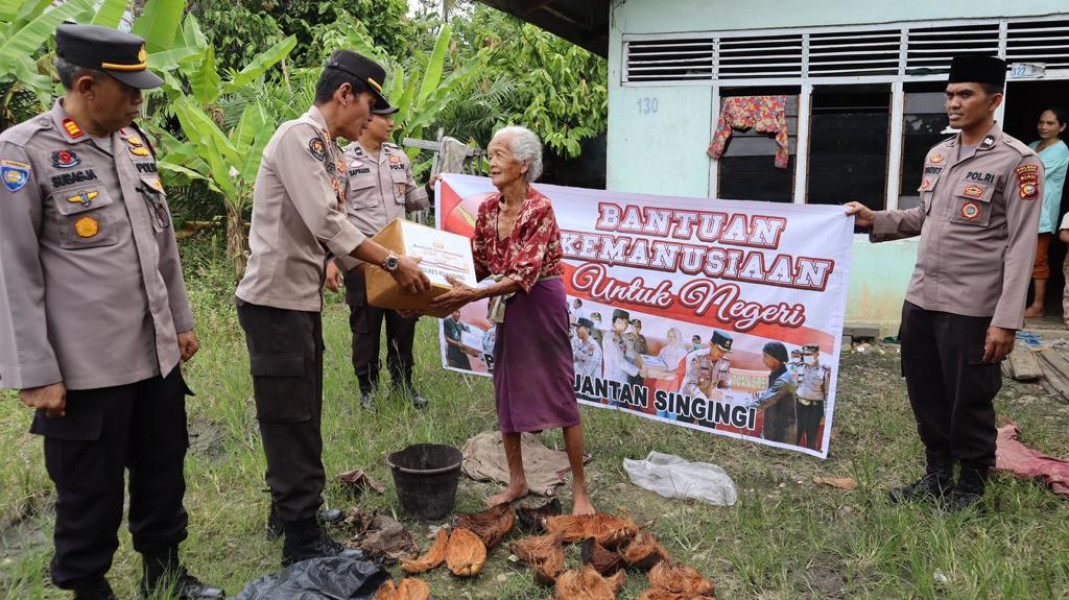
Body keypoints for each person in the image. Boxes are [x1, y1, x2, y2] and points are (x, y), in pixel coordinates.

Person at [0, 25, 223, 600]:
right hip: (86, 371)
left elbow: (162, 241)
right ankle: (88, 586)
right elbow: (13, 271)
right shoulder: (24, 151)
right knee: (88, 493)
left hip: (154, 355)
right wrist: (35, 372)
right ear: (85, 85)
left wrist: (181, 321)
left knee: (162, 473)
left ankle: (165, 572)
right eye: (129, 92)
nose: (139, 102)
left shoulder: (135, 143)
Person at [235, 49, 430, 565]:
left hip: (296, 301)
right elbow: (330, 224)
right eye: (367, 105)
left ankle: (292, 510)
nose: (369, 118)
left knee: (302, 409)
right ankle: (299, 536)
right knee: (290, 415)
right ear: (344, 94)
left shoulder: (324, 147)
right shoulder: (299, 138)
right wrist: (393, 263)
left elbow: (335, 241)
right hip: (275, 303)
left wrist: (396, 286)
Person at [846, 55, 1044, 512]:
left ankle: (971, 485)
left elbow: (1021, 244)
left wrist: (1006, 320)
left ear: (993, 100)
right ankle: (937, 474)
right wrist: (873, 218)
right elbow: (923, 217)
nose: (953, 103)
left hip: (973, 307)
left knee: (969, 398)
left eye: (965, 94)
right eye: (950, 94)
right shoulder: (940, 154)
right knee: (925, 391)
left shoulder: (1018, 161)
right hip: (922, 300)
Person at [429, 125, 594, 515]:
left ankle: (581, 492)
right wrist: (432, 289)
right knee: (506, 391)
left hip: (541, 301)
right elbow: (475, 264)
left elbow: (523, 275)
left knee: (560, 391)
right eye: (490, 154)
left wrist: (471, 294)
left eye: (499, 154)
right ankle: (517, 481)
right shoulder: (487, 208)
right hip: (506, 303)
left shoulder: (540, 208)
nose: (491, 161)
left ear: (523, 164)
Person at [324, 101, 431, 409]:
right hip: (363, 260)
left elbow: (412, 200)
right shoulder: (343, 160)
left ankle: (403, 385)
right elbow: (333, 213)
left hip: (401, 258)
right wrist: (332, 259)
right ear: (368, 120)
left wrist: (433, 190)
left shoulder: (399, 158)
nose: (391, 123)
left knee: (404, 323)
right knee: (365, 327)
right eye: (385, 117)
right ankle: (367, 389)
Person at [1024, 107, 1069, 318]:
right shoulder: (1033, 145)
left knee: (1038, 258)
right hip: (1023, 208)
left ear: (1062, 127)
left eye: (1050, 123)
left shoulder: (1060, 149)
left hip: (1042, 211)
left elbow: (1031, 172)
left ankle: (1038, 305)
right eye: (1041, 122)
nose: (1043, 126)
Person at [750, 342, 796, 443]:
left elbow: (762, 402)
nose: (763, 359)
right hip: (773, 433)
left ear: (776, 359)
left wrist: (737, 408)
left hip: (782, 438)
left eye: (765, 356)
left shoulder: (782, 381)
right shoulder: (776, 375)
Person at [603, 309, 643, 403]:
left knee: (620, 406)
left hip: (620, 378)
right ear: (618, 321)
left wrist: (638, 358)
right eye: (626, 323)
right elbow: (619, 361)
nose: (627, 326)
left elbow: (626, 353)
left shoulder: (618, 336)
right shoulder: (610, 338)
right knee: (614, 406)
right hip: (613, 380)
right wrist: (638, 371)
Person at [795, 344, 830, 450]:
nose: (806, 356)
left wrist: (825, 414)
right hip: (799, 405)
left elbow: (827, 393)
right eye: (805, 354)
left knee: (812, 437)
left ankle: (809, 461)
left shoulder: (824, 370)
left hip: (815, 408)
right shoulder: (799, 367)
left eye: (809, 354)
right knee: (795, 435)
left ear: (817, 354)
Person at [679, 331, 733, 399]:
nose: (722, 353)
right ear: (711, 344)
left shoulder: (725, 362)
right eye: (720, 349)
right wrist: (703, 400)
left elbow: (724, 385)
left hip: (706, 403)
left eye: (725, 351)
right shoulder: (695, 357)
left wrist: (730, 397)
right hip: (687, 400)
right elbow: (690, 384)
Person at [572, 317, 603, 382]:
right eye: (577, 327)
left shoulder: (594, 347)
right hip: (580, 385)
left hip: (590, 388)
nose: (577, 330)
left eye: (579, 327)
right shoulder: (579, 343)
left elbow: (586, 371)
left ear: (587, 329)